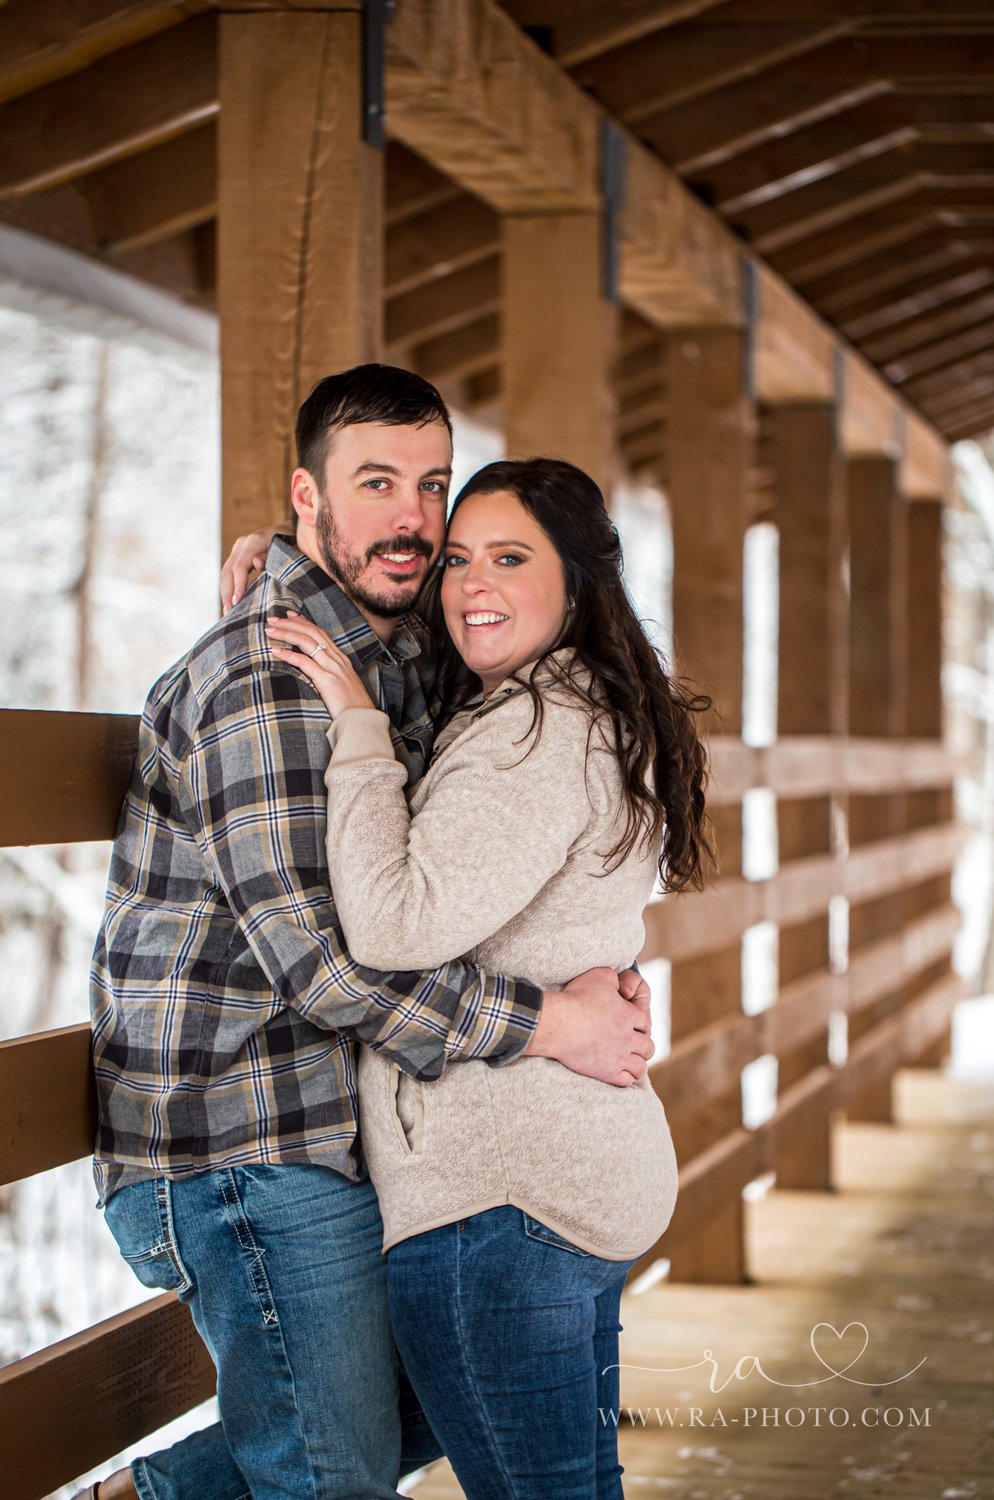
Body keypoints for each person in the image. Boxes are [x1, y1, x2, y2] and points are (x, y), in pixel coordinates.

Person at [79, 367, 654, 1500]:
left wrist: (277, 548)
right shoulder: (263, 679)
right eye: (375, 484)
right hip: (242, 1136)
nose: (411, 520)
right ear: (311, 495)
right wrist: (549, 1026)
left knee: (446, 1391)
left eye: (429, 488)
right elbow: (326, 967)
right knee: (335, 1473)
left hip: (338, 1129)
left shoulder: (396, 656)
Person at [262, 456, 714, 1498]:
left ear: (578, 579)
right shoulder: (584, 706)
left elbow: (392, 922)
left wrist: (359, 733)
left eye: (508, 558)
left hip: (502, 1200)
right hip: (567, 1175)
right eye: (457, 559)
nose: (470, 584)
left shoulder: (530, 735)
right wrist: (269, 557)